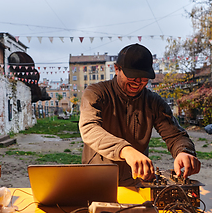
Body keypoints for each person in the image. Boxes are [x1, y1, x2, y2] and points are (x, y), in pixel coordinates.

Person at [79, 43, 201, 186]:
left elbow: (175, 135)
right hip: (97, 179)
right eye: (133, 76)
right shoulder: (96, 93)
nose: (138, 82)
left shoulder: (154, 102)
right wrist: (125, 150)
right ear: (117, 69)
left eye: (144, 78)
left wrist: (183, 151)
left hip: (136, 181)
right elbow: (89, 128)